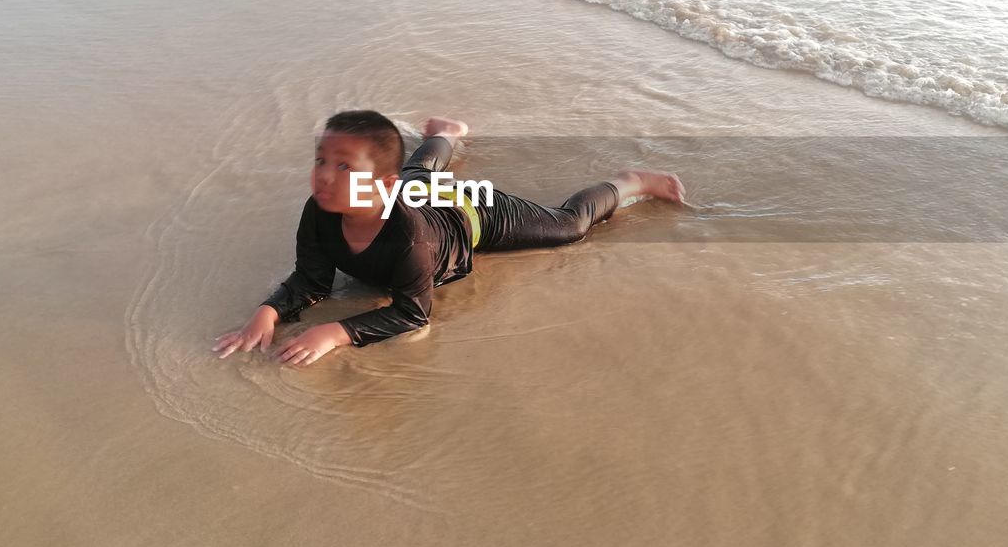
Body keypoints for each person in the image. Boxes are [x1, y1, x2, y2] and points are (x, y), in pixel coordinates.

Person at [213, 110, 685, 368]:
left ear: (379, 183)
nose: (323, 177)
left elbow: (412, 312)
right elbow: (311, 278)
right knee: (421, 171)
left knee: (568, 227)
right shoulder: (320, 210)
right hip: (416, 189)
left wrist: (335, 332)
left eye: (343, 167)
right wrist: (268, 312)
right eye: (320, 161)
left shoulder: (408, 238)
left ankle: (629, 182)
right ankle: (448, 132)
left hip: (472, 214)